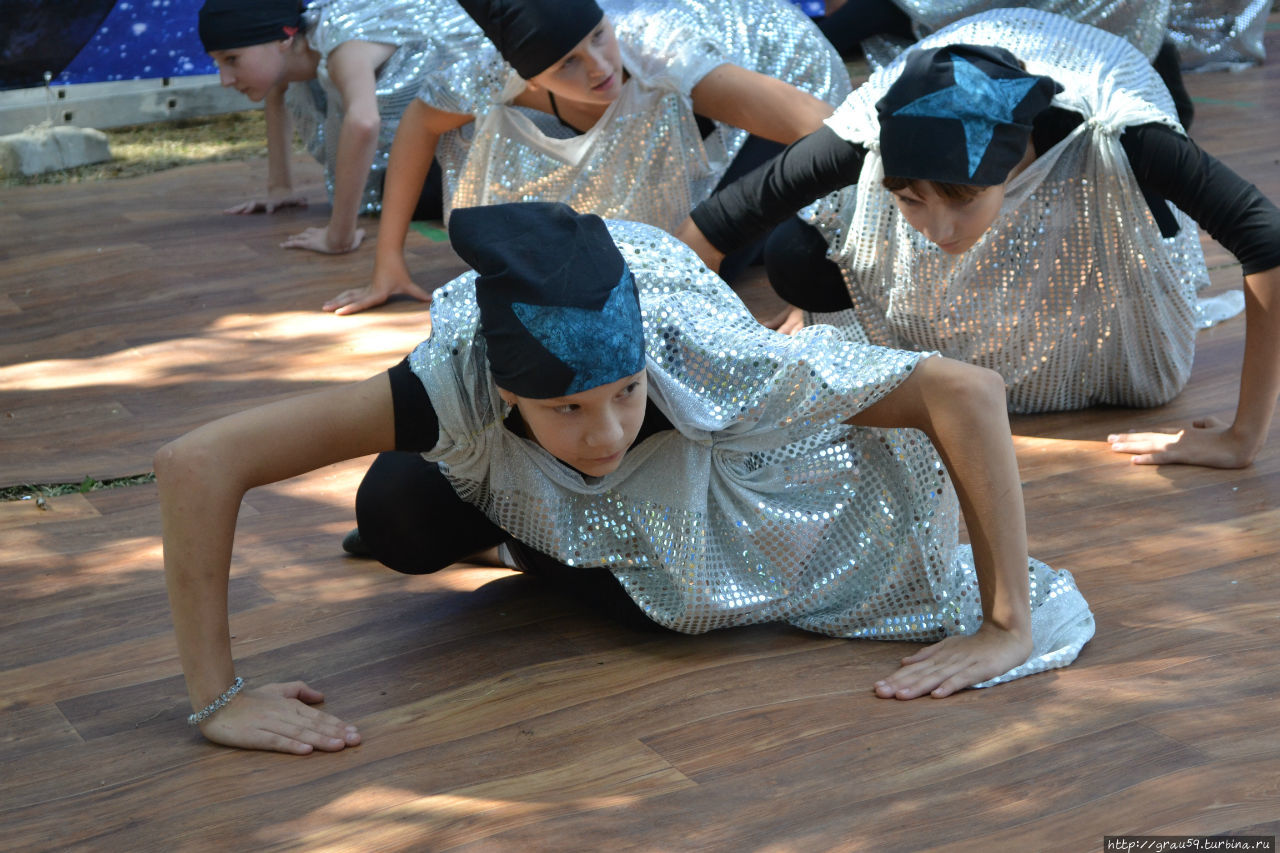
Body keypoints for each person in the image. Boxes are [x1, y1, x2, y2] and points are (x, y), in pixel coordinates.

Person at [158, 202, 1094, 754]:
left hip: (698, 482)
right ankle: (520, 525)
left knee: (672, 606)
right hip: (494, 462)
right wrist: (219, 698)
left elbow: (965, 392)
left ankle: (556, 538)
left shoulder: (713, 355)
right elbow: (196, 462)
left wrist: (1006, 624)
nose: (603, 432)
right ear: (504, 392)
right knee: (394, 516)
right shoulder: (448, 380)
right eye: (565, 408)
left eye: (624, 395)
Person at [676, 9, 1280, 469]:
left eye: (962, 202)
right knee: (795, 255)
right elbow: (712, 229)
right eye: (911, 200)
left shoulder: (1119, 134)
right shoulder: (866, 130)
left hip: (1097, 227)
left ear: (1015, 157)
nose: (938, 230)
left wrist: (1242, 437)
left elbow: (1267, 239)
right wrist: (684, 388)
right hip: (947, 101)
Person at [323, 0, 849, 314]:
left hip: (784, 70)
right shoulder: (487, 75)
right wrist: (387, 260)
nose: (598, 67)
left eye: (598, 36)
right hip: (687, 102)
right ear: (529, 79)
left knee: (703, 259)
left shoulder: (662, 55)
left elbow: (835, 131)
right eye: (567, 64)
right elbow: (419, 122)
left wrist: (811, 277)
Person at [197, 0, 486, 254]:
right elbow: (276, 96)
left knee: (409, 196)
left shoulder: (342, 47)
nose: (225, 79)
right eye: (218, 63)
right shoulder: (295, 50)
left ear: (283, 40)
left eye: (232, 59)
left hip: (491, 126)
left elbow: (363, 122)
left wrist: (339, 235)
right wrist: (280, 188)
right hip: (439, 135)